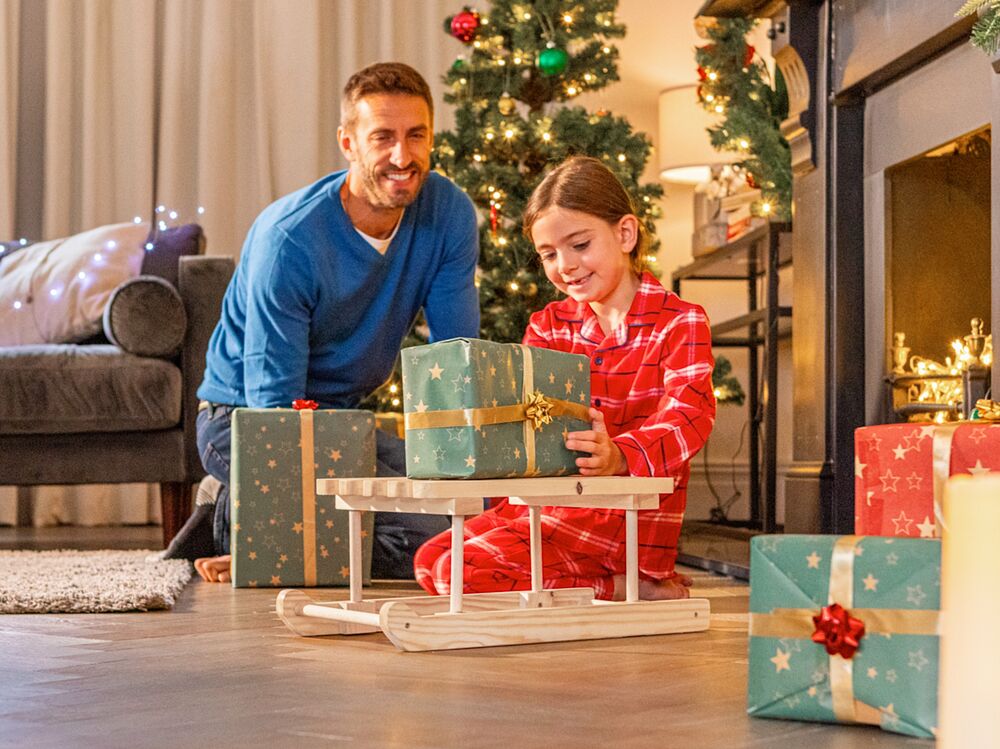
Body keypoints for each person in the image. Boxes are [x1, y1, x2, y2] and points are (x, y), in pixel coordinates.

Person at [163, 62, 480, 583]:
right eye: (383, 137)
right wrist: (295, 501)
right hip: (243, 420)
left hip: (344, 423)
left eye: (415, 135)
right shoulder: (289, 239)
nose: (403, 157)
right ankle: (239, 521)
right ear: (348, 143)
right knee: (433, 535)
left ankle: (276, 537)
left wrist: (460, 470)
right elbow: (274, 410)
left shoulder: (447, 213)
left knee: (475, 512)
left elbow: (455, 357)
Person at [413, 156, 716, 601]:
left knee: (456, 574)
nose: (566, 265)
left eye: (580, 245)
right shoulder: (549, 325)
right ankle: (623, 588)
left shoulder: (679, 322)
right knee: (429, 562)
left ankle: (625, 585)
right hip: (547, 508)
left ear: (625, 234)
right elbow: (529, 419)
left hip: (622, 520)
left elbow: (690, 416)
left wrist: (619, 454)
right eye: (549, 254)